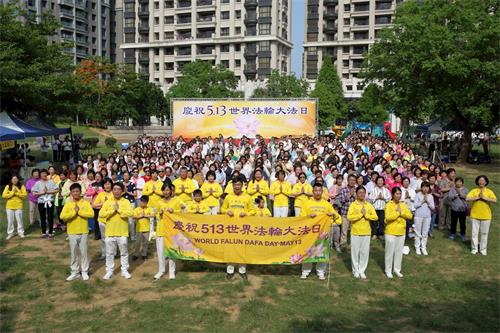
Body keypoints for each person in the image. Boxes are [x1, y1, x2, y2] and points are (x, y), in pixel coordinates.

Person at [300, 183, 341, 280]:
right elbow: (301, 218)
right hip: (310, 232)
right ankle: (305, 271)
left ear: (322, 192)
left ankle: (320, 271)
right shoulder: (307, 203)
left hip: (323, 233)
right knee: (308, 251)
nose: (318, 193)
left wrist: (333, 214)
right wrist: (309, 217)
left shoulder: (327, 204)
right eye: (316, 191)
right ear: (312, 192)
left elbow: (338, 219)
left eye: (319, 191)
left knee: (322, 251)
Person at [99, 182, 134, 280]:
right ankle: (109, 270)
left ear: (122, 191)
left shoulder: (126, 202)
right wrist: (112, 211)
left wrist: (119, 211)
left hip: (122, 231)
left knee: (124, 252)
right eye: (115, 189)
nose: (116, 191)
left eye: (119, 189)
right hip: (110, 232)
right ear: (112, 191)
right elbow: (101, 214)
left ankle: (124, 270)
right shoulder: (107, 202)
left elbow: (131, 213)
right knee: (109, 253)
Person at [221, 176, 254, 280]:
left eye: (239, 184)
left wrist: (247, 213)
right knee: (230, 247)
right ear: (232, 186)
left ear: (242, 186)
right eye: (235, 185)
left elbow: (253, 211)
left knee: (242, 248)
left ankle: (242, 270)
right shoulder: (228, 197)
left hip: (243, 228)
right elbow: (222, 209)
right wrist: (227, 211)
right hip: (230, 227)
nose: (237, 187)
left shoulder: (247, 197)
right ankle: (230, 270)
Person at [60, 183, 94, 281]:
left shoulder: (85, 203)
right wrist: (73, 213)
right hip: (72, 232)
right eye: (74, 191)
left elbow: (91, 214)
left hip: (83, 231)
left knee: (84, 252)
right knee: (73, 252)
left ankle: (84, 271)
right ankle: (74, 272)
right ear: (71, 193)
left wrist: (79, 212)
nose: (75, 193)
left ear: (80, 192)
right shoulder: (68, 204)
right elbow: (62, 216)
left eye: (77, 191)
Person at [155, 183, 185, 280]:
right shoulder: (159, 202)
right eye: (164, 190)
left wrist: (174, 211)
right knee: (160, 252)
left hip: (171, 231)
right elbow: (156, 216)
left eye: (168, 190)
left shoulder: (175, 201)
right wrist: (159, 214)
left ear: (171, 191)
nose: (166, 192)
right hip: (161, 230)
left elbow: (180, 213)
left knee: (171, 252)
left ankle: (172, 272)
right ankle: (161, 270)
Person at [347, 186, 377, 279]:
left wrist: (366, 215)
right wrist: (360, 214)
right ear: (356, 193)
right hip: (355, 232)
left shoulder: (369, 205)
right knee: (355, 252)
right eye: (359, 192)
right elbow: (349, 217)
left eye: (363, 192)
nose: (362, 194)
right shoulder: (353, 204)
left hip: (366, 232)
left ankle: (362, 270)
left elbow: (375, 217)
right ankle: (355, 270)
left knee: (364, 252)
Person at [384, 187, 413, 279]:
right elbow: (388, 217)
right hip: (391, 231)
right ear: (393, 195)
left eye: (400, 194)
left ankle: (397, 269)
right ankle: (388, 270)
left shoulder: (403, 204)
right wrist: (397, 213)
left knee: (399, 252)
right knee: (389, 252)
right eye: (397, 194)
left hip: (401, 231)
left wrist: (401, 213)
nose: (399, 196)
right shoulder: (389, 204)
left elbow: (409, 215)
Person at [466, 175, 497, 255]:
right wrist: (477, 198)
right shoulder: (474, 190)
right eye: (480, 180)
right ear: (477, 182)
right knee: (474, 233)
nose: (481, 182)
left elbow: (495, 200)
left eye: (483, 180)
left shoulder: (489, 191)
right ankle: (474, 249)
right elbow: (467, 198)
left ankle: (483, 249)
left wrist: (484, 198)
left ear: (486, 182)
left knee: (484, 233)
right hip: (474, 215)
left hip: (486, 216)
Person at [32, 169, 59, 239]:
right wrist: (42, 193)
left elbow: (57, 190)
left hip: (50, 201)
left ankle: (50, 232)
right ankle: (43, 232)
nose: (44, 174)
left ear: (47, 174)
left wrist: (49, 192)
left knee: (50, 217)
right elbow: (33, 192)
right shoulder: (38, 183)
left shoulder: (51, 182)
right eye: (42, 173)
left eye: (45, 173)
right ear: (40, 175)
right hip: (41, 202)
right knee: (42, 217)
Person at [92, 178, 114, 259]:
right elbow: (94, 205)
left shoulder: (114, 193)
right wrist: (103, 204)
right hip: (102, 219)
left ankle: (113, 252)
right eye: (105, 184)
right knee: (103, 237)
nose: (107, 186)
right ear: (103, 186)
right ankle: (104, 253)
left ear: (111, 184)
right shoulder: (101, 195)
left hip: (112, 219)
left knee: (112, 237)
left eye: (108, 184)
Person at [413, 181, 435, 255]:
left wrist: (427, 202)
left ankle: (423, 247)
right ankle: (417, 247)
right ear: (421, 188)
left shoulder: (430, 196)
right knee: (417, 232)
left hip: (427, 216)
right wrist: (422, 201)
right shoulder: (417, 195)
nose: (425, 189)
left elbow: (433, 207)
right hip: (418, 216)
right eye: (424, 187)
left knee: (425, 233)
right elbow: (415, 205)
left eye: (427, 187)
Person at [368, 176, 391, 241]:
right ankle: (374, 234)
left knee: (382, 222)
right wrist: (377, 197)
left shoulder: (386, 190)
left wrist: (383, 197)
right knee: (374, 222)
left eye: (381, 180)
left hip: (383, 209)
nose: (380, 182)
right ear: (376, 182)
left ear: (383, 182)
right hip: (375, 208)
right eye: (378, 180)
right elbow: (370, 199)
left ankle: (380, 234)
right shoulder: (373, 190)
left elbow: (389, 199)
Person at [132, 196, 154, 261]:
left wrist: (145, 215)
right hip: (138, 229)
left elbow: (153, 215)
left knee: (145, 242)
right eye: (142, 202)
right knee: (137, 242)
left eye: (145, 202)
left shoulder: (149, 208)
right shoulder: (136, 209)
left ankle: (144, 254)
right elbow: (134, 216)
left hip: (146, 228)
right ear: (140, 201)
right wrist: (140, 216)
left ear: (147, 203)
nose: (143, 204)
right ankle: (136, 254)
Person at [448, 177, 468, 241]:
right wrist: (455, 196)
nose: (458, 183)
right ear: (455, 182)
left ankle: (463, 234)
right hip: (454, 208)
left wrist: (460, 194)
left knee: (462, 223)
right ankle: (452, 233)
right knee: (453, 222)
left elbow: (467, 197)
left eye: (460, 182)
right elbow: (450, 196)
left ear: (462, 183)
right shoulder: (452, 189)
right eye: (457, 181)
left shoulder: (466, 189)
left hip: (462, 209)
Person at [339, 175, 358, 246]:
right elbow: (342, 200)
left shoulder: (357, 189)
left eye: (353, 180)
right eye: (351, 180)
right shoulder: (343, 189)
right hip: (345, 212)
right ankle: (343, 243)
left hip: (355, 213)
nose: (352, 182)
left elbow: (359, 201)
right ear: (348, 180)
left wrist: (355, 195)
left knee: (354, 230)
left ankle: (353, 244)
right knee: (344, 230)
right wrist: (349, 195)